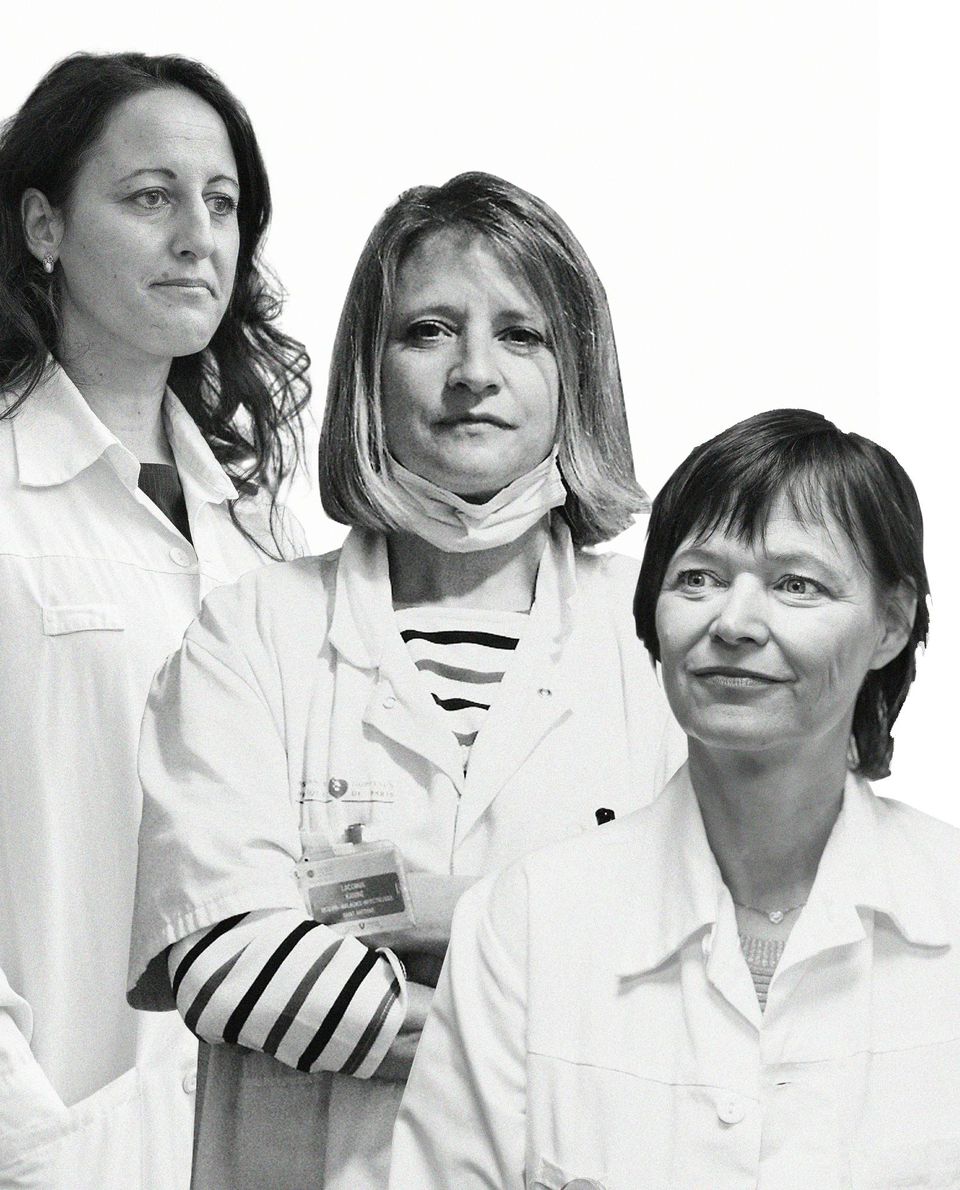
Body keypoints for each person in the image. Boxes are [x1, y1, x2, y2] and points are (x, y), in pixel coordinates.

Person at [128, 171, 685, 1189]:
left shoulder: (664, 640)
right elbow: (228, 961)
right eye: (429, 331)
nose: (474, 372)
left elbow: (719, 967)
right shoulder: (253, 634)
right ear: (368, 372)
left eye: (521, 335)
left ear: (578, 374)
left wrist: (370, 895)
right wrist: (560, 990)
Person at [390, 408, 958, 1188]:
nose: (734, 622)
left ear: (891, 624)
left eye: (797, 584)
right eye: (698, 578)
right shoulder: (526, 924)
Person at [0, 53, 309, 1189]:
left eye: (222, 204)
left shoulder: (266, 532)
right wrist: (34, 1143)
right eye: (150, 197)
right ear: (44, 226)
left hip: (260, 1132)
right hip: (68, 1138)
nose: (197, 237)